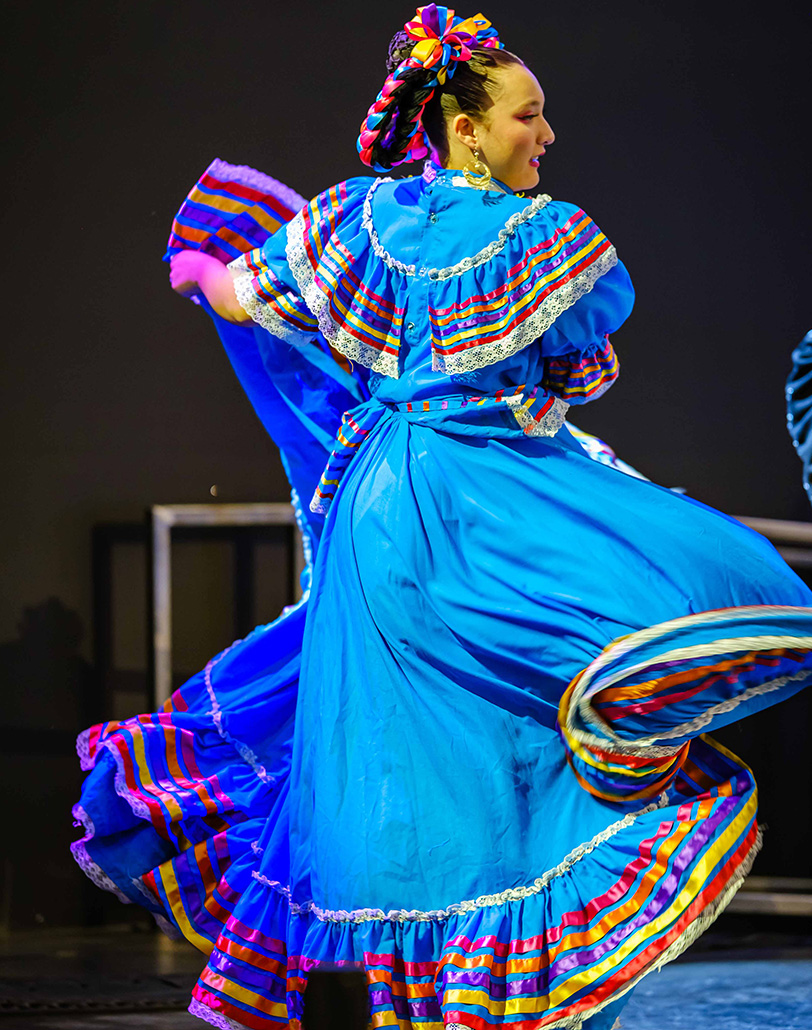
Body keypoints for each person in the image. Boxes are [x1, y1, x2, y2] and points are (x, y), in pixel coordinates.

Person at [75, 6, 812, 1029]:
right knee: (511, 736)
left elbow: (244, 290)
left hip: (383, 514)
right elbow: (582, 345)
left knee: (399, 762)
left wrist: (200, 273)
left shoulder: (355, 221)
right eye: (527, 115)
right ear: (463, 126)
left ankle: (402, 997)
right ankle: (480, 996)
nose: (544, 135)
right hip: (486, 504)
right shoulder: (538, 235)